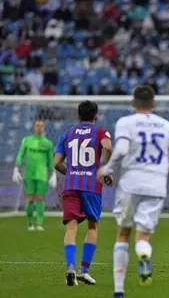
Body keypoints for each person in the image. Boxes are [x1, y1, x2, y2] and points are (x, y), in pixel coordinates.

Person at [96, 86, 169, 298]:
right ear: (154, 104)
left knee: (123, 233)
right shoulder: (167, 127)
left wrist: (107, 168)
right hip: (156, 185)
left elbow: (123, 150)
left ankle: (118, 290)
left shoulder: (125, 123)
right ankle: (144, 253)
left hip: (130, 183)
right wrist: (159, 171)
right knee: (143, 235)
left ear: (133, 103)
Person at [53, 100, 113, 286]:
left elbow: (56, 163)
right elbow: (108, 147)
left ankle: (70, 266)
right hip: (91, 186)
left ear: (78, 116)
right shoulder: (100, 131)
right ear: (95, 117)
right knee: (92, 226)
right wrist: (104, 169)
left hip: (71, 185)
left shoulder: (68, 133)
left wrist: (71, 172)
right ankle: (84, 271)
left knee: (71, 227)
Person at [13, 119, 57, 231]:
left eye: (41, 126)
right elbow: (20, 155)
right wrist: (16, 169)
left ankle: (39, 223)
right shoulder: (27, 141)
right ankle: (29, 223)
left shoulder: (47, 143)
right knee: (30, 199)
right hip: (29, 174)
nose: (39, 128)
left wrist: (53, 174)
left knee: (41, 198)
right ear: (34, 127)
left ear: (44, 128)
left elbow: (50, 160)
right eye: (37, 125)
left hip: (42, 175)